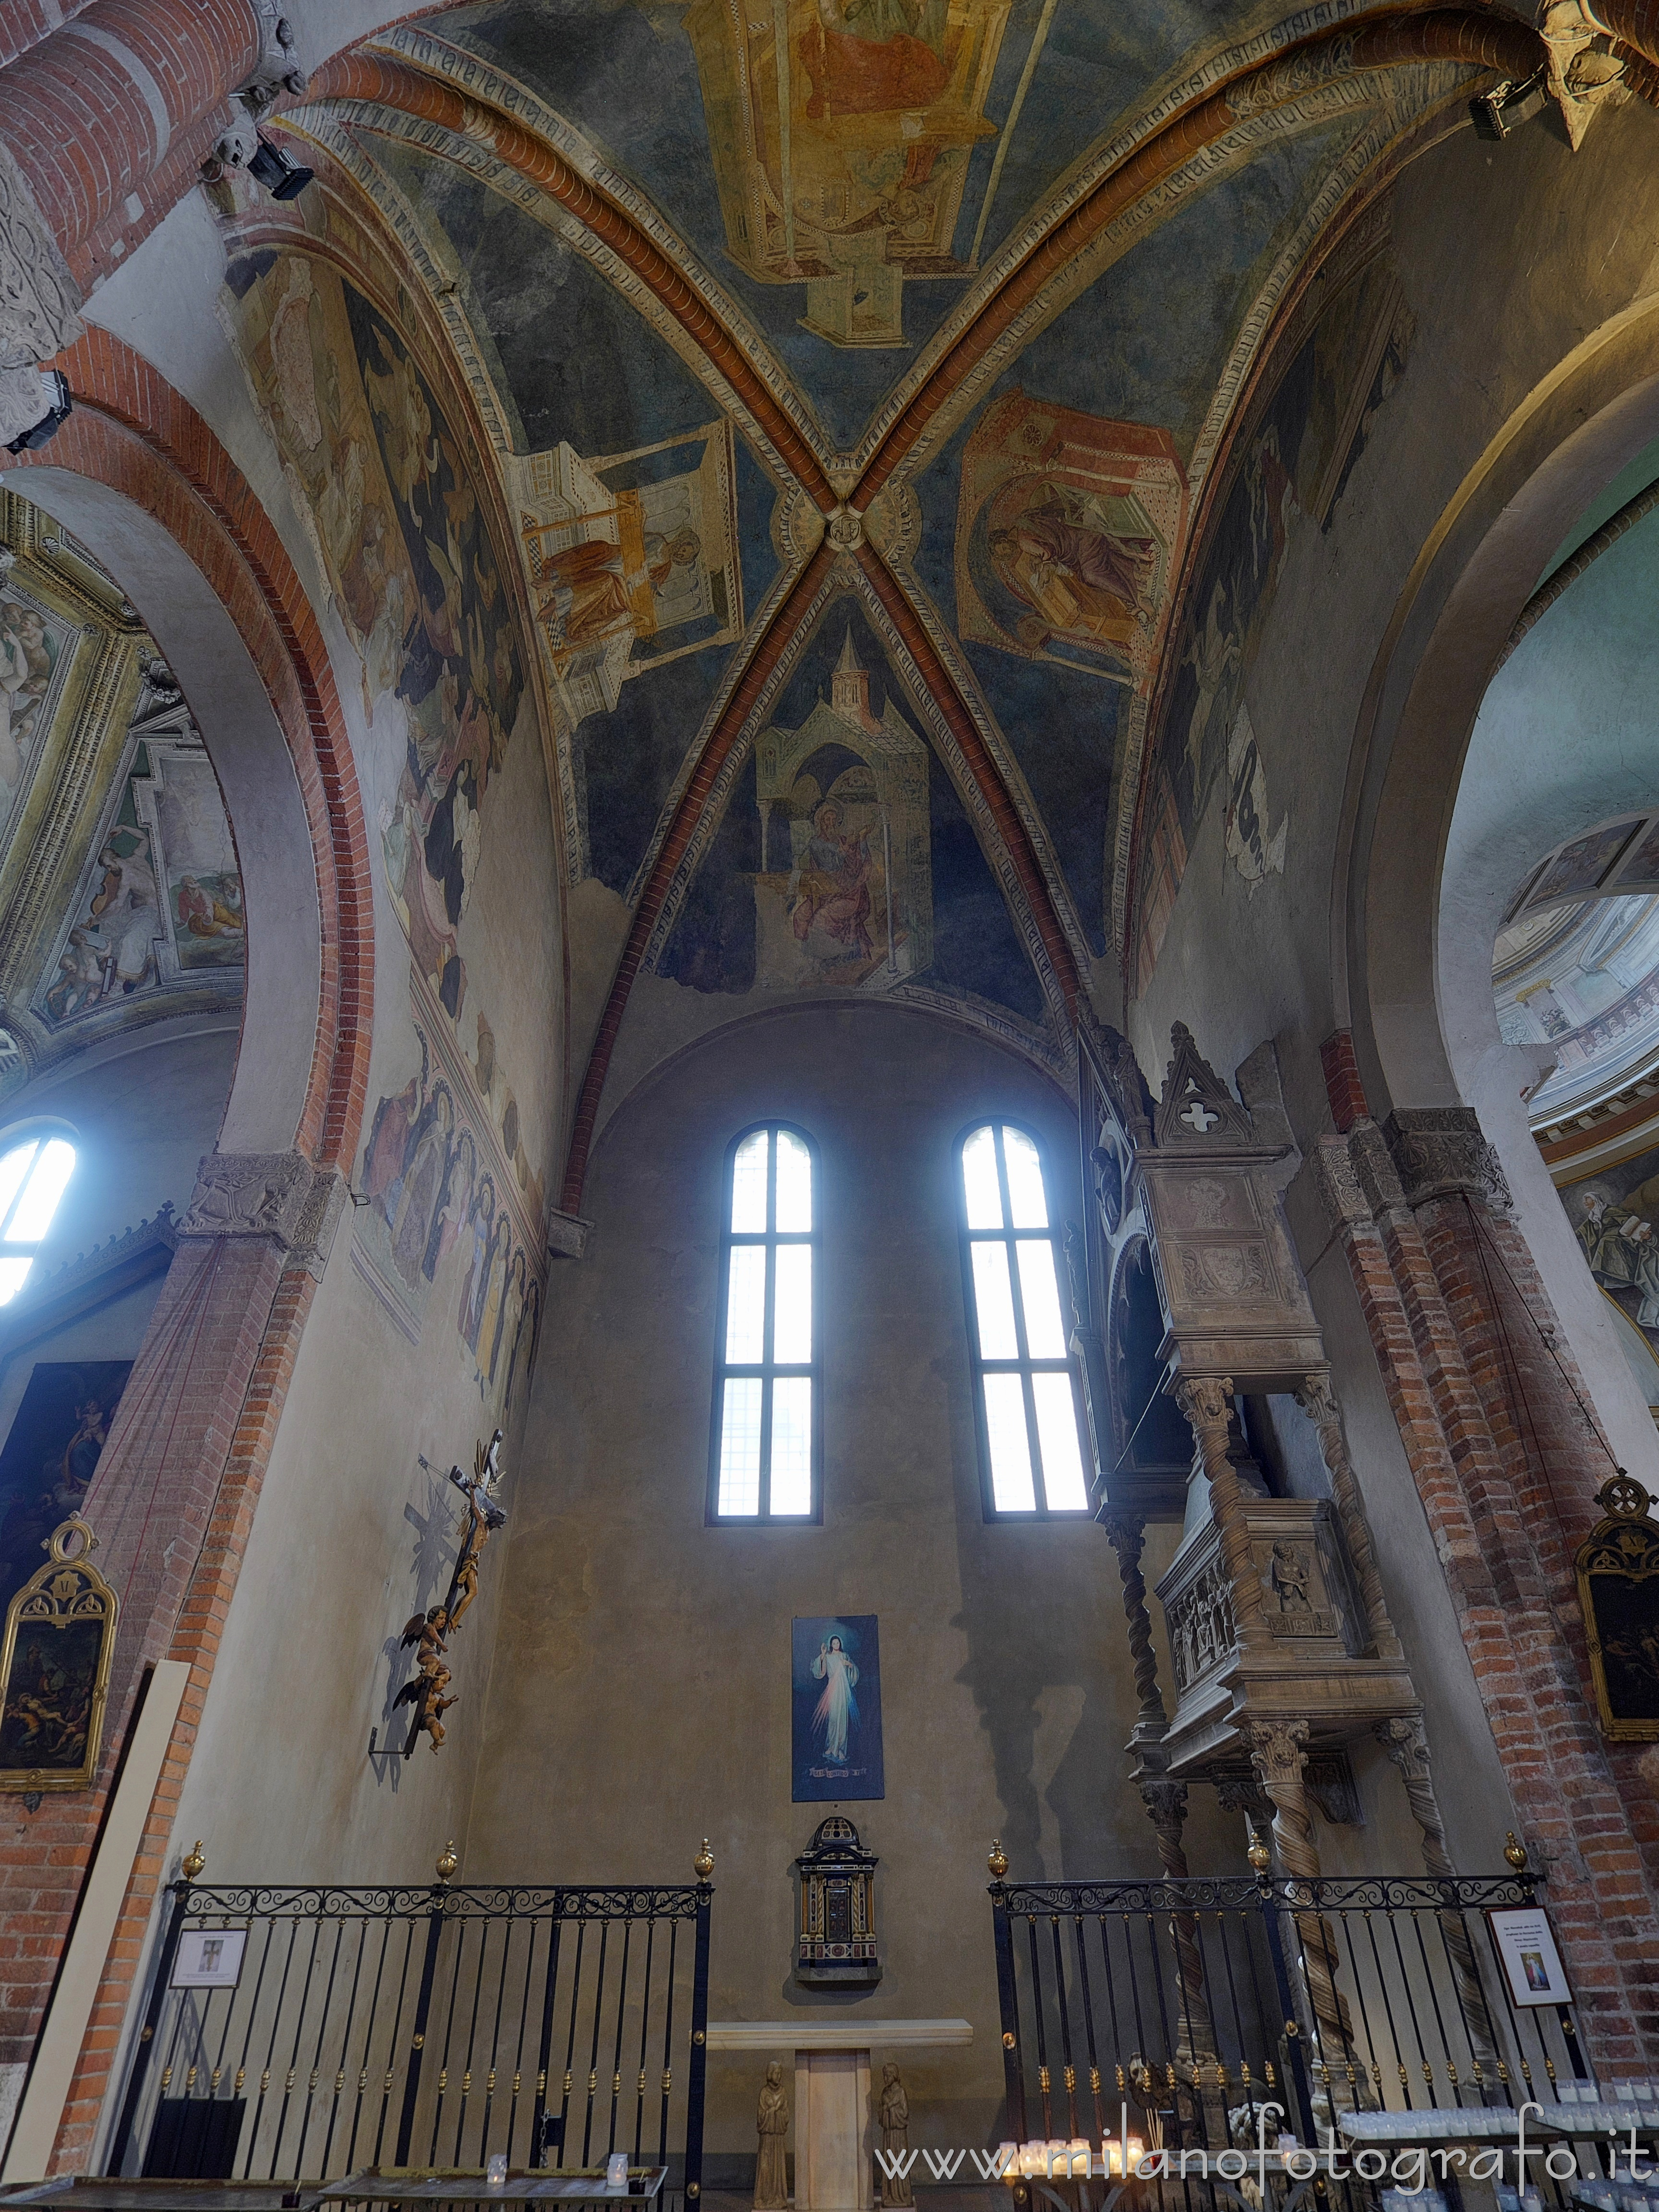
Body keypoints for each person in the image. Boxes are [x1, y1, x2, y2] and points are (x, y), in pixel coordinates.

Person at [811, 1634, 860, 1764]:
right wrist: (822, 1655)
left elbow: (853, 1671)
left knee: (842, 1719)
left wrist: (849, 1664)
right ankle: (832, 1747)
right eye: (834, 1643)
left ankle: (841, 1750)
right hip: (832, 1690)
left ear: (840, 1645)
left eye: (838, 1643)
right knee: (833, 1718)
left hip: (843, 1691)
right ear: (831, 1645)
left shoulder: (844, 1656)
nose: (836, 1645)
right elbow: (820, 1672)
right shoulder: (827, 1657)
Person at [754, 2061, 789, 2212]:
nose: (778, 2076)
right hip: (767, 2138)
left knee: (778, 2168)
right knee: (765, 2167)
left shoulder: (783, 2093)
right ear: (770, 2074)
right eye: (776, 2073)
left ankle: (778, 2198)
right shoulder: (764, 2093)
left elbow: (786, 2115)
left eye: (780, 2073)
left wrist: (778, 2113)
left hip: (778, 2138)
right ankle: (763, 2199)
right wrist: (771, 2112)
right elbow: (760, 2116)